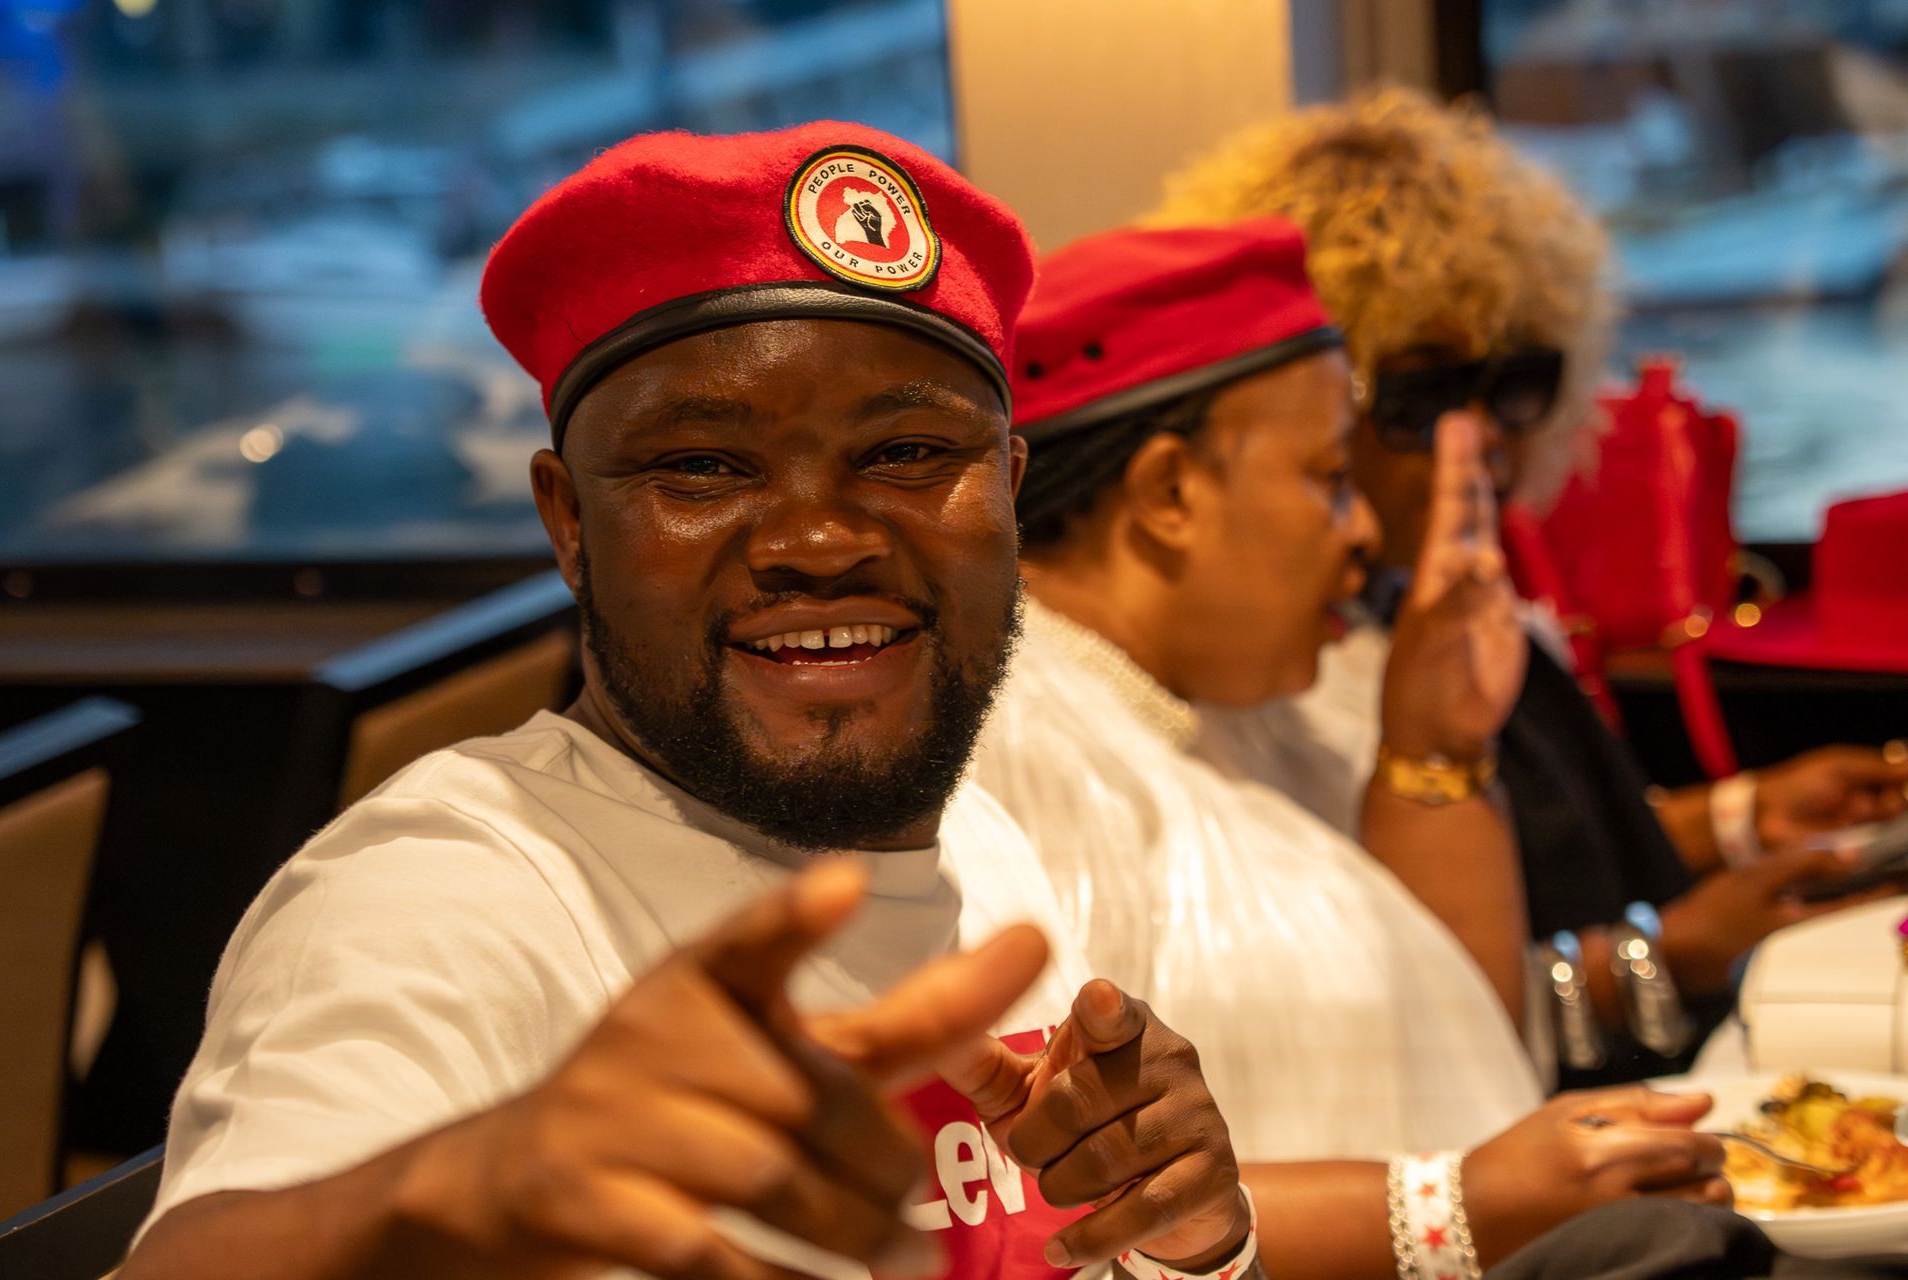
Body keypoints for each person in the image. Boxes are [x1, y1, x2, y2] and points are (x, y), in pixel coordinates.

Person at [120, 123, 1259, 1280]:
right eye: (703, 467)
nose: (820, 540)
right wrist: (451, 1189)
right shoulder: (436, 898)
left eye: (907, 452)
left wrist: (1193, 1244)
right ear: (570, 522)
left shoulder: (979, 838)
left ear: (1008, 491)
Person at [972, 216, 1732, 1279]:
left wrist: (1437, 748)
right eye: (1331, 475)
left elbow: (1456, 1028)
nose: (1364, 528)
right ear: (1169, 493)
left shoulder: (1221, 710)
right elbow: (1054, 1198)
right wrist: (1451, 1208)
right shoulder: (1024, 742)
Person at [1151, 87, 1908, 1085]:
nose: (1482, 440)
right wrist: (1662, 957)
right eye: (1422, 396)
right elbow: (1391, 1016)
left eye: (1516, 385)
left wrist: (1744, 817)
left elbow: (1549, 846)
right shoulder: (1270, 680)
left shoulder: (1456, 610)